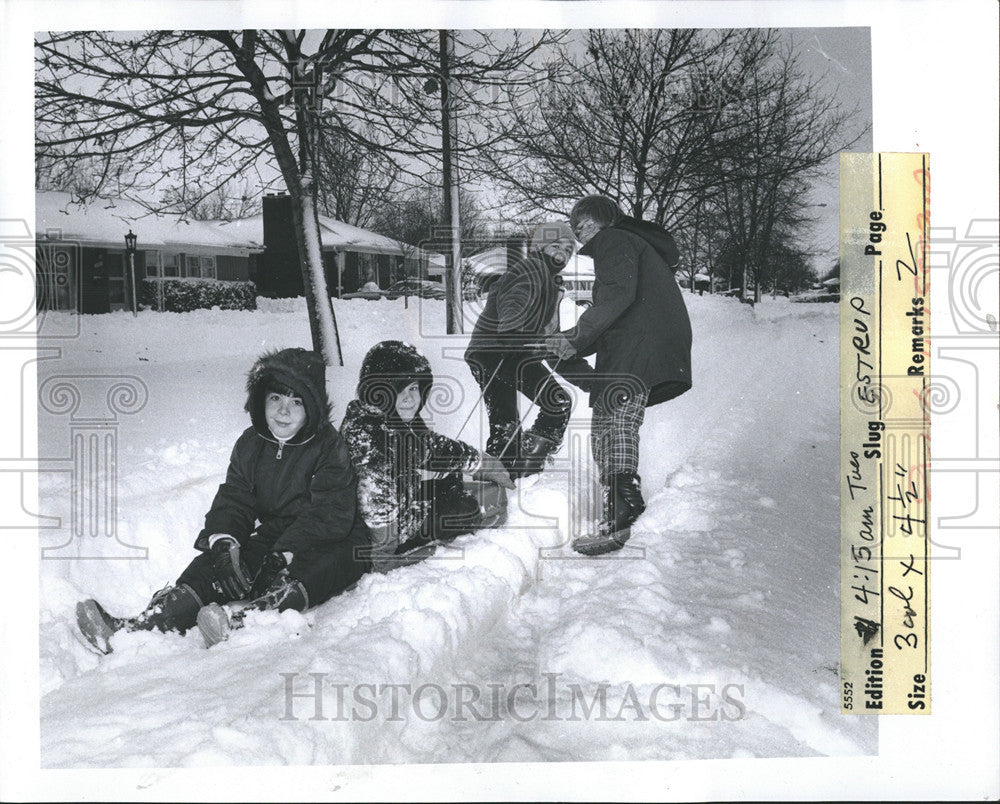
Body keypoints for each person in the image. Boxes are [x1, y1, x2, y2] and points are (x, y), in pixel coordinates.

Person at [76, 347, 372, 652]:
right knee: (219, 565)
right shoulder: (250, 444)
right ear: (261, 400)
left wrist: (284, 554)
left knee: (320, 565)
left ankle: (248, 621)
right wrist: (223, 542)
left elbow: (330, 513)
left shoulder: (327, 447)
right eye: (276, 399)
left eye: (296, 402)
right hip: (276, 534)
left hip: (330, 538)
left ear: (312, 408)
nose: (284, 411)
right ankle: (142, 626)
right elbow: (236, 498)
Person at [546, 195, 692, 555]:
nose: (577, 232)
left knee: (618, 419)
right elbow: (617, 313)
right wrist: (568, 345)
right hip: (639, 341)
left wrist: (574, 339)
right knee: (606, 421)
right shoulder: (633, 244)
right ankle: (620, 503)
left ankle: (624, 505)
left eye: (580, 224)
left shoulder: (615, 239)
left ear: (600, 220)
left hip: (641, 345)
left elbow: (615, 297)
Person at [341, 340, 515, 573]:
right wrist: (384, 554)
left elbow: (431, 449)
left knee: (450, 483)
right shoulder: (370, 437)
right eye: (399, 388)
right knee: (463, 509)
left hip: (399, 499)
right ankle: (478, 514)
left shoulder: (392, 418)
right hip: (377, 530)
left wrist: (481, 463)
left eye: (414, 388)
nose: (410, 398)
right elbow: (374, 498)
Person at [464, 221, 594, 478]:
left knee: (505, 422)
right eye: (556, 245)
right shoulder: (531, 268)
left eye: (569, 250)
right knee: (556, 402)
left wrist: (590, 380)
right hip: (503, 349)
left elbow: (552, 344)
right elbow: (515, 298)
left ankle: (502, 474)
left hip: (490, 352)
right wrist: (512, 328)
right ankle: (527, 466)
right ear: (540, 247)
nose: (563, 253)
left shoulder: (549, 280)